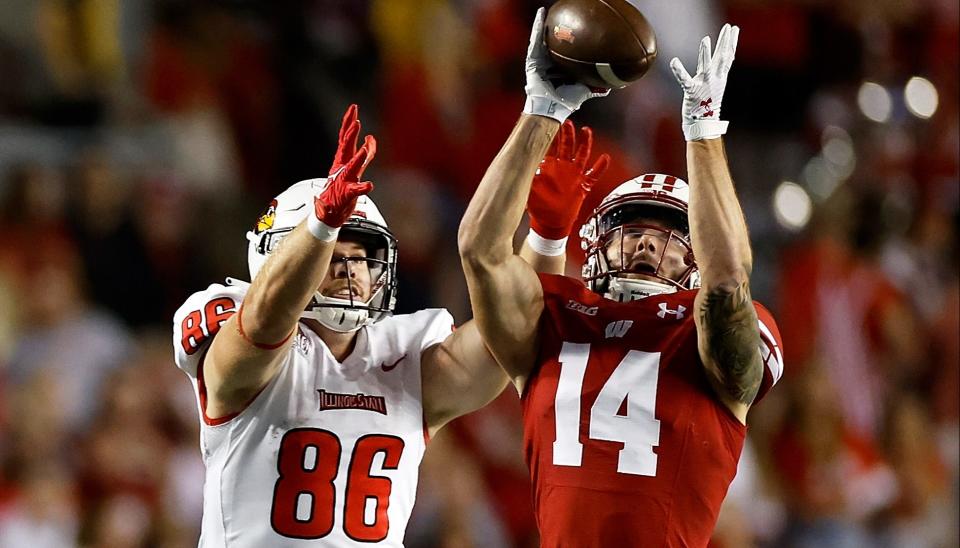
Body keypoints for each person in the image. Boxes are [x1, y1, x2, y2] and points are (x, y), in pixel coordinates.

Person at [171, 104, 579, 546]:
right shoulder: (237, 323)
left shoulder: (404, 355)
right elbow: (262, 325)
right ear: (281, 257)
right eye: (333, 251)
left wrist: (546, 237)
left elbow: (512, 336)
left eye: (363, 255)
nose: (351, 266)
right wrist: (321, 225)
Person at [458, 10, 784, 547]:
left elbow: (727, 285)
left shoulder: (703, 334)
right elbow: (479, 250)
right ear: (595, 247)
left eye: (669, 234)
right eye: (628, 228)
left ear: (697, 253)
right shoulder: (555, 319)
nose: (645, 242)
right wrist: (542, 112)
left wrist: (702, 130)